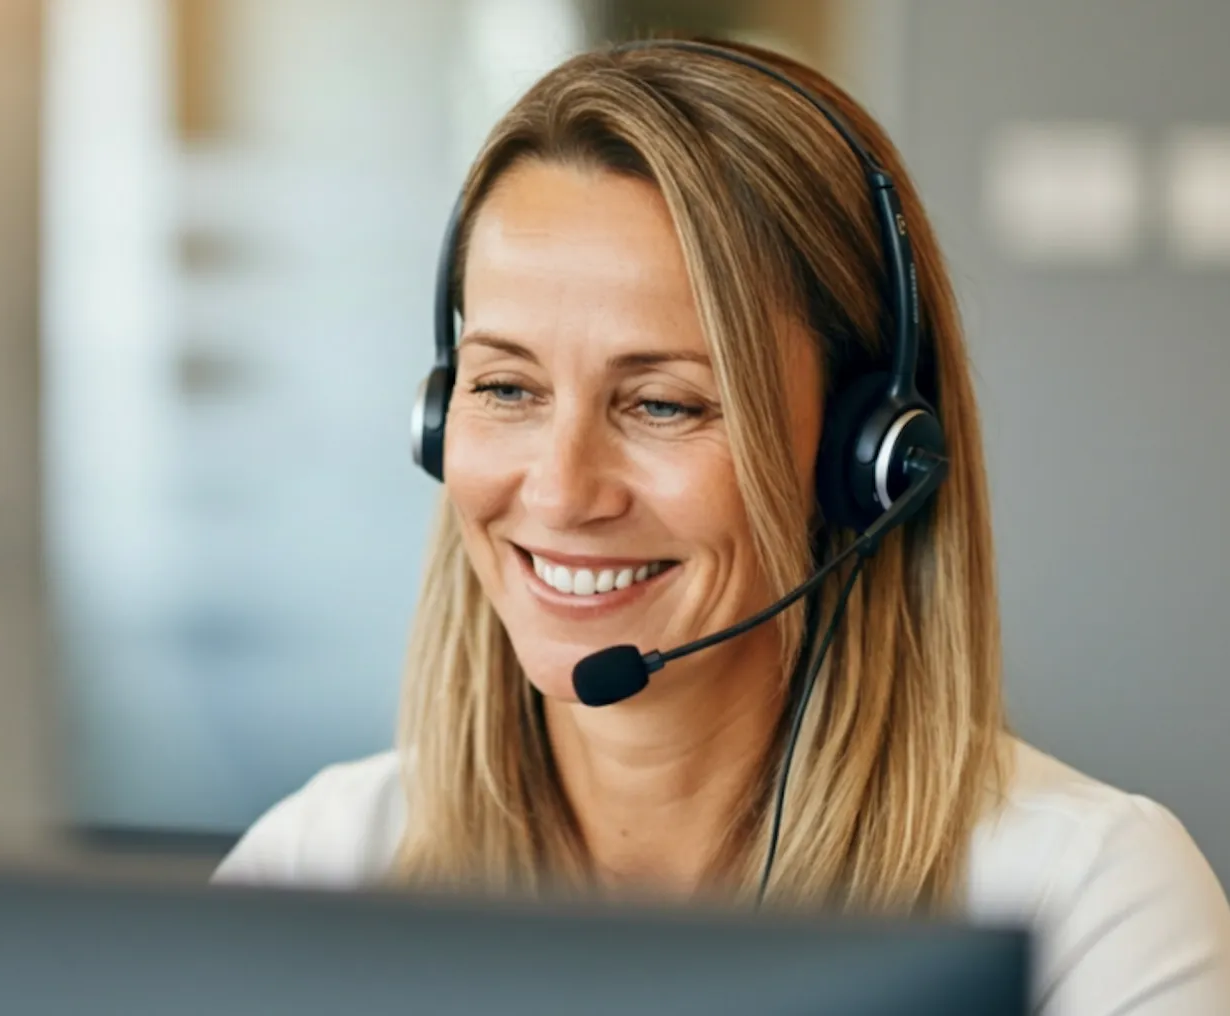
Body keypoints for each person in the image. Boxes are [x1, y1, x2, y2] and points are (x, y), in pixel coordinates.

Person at [212, 36, 1230, 1014]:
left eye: (664, 403)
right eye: (507, 387)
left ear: (864, 459)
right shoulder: (317, 868)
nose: (563, 492)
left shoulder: (1088, 905)